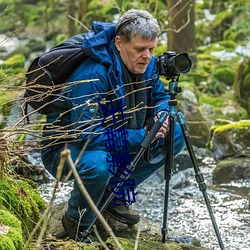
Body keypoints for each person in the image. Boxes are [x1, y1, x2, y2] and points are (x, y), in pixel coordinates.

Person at [41, 9, 185, 241]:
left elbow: (159, 96)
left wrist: (161, 114)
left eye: (152, 49)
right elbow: (87, 134)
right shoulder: (92, 74)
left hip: (117, 136)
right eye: (140, 49)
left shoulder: (145, 64)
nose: (147, 56)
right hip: (67, 149)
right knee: (100, 166)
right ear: (119, 43)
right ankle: (76, 221)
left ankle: (112, 194)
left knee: (175, 133)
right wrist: (142, 135)